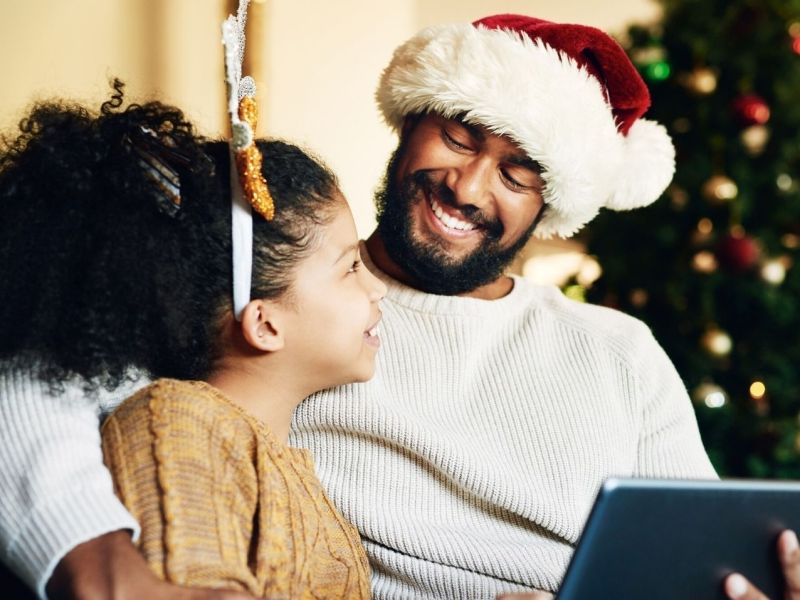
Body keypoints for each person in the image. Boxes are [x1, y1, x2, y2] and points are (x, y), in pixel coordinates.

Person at [0, 12, 796, 600]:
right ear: (409, 121)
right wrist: (95, 564)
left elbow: (699, 556)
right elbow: (35, 371)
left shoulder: (619, 351)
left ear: (551, 206)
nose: (469, 185)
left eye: (518, 173)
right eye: (458, 135)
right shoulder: (275, 298)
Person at [0, 76, 383, 599]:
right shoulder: (179, 425)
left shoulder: (292, 468)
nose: (378, 286)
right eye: (352, 267)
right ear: (265, 324)